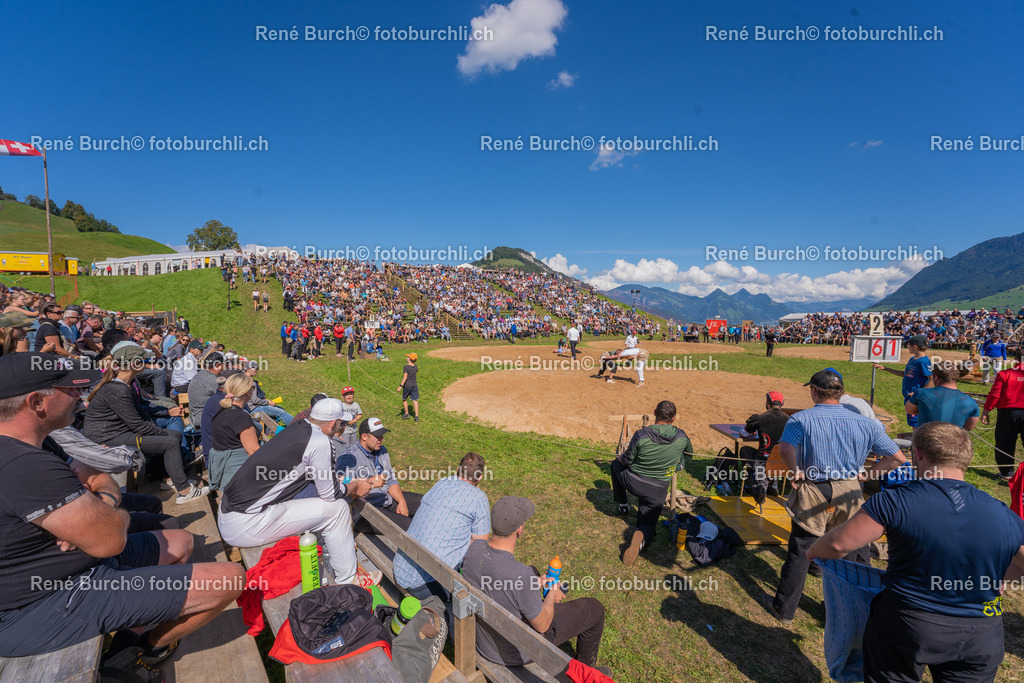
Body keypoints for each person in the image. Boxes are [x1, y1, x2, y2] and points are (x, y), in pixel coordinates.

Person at [0, 352, 244, 665]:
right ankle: (143, 652)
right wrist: (96, 518)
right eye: (70, 390)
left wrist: (101, 504)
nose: (80, 396)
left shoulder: (39, 441)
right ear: (36, 402)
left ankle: (130, 644)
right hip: (44, 602)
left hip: (78, 565)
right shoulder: (22, 464)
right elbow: (110, 538)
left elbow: (99, 478)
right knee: (230, 579)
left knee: (181, 540)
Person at [808, 422, 1024, 682]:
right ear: (966, 458)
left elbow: (838, 544)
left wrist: (813, 550)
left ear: (918, 454)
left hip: (909, 624)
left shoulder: (896, 500)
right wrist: (1000, 581)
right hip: (979, 633)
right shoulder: (1002, 513)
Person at [762, 368, 905, 626]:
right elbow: (897, 458)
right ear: (839, 392)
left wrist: (795, 472)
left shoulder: (801, 419)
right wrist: (869, 474)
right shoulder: (867, 423)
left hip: (814, 487)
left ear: (815, 391)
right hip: (849, 489)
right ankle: (841, 612)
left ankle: (784, 608)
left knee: (800, 549)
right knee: (848, 550)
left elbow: (785, 447)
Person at [218, 398, 378, 585]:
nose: (341, 428)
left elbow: (311, 477)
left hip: (231, 511)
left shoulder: (299, 426)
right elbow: (331, 494)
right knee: (339, 509)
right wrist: (356, 486)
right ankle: (349, 579)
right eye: (341, 424)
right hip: (244, 524)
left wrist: (341, 483)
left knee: (319, 495)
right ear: (332, 423)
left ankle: (326, 553)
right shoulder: (321, 441)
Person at [461, 496, 607, 670]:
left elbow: (497, 581)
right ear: (520, 529)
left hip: (484, 642)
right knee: (594, 609)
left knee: (534, 571)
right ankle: (585, 674)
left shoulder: (473, 550)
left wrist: (535, 582)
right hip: (516, 652)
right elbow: (543, 625)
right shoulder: (522, 576)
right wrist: (551, 595)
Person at [85, 345, 207, 504]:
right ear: (133, 364)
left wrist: (165, 432)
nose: (148, 362)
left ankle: (169, 478)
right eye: (144, 360)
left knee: (175, 436)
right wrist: (163, 434)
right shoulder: (118, 389)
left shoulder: (124, 384)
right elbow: (138, 425)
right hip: (108, 438)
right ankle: (185, 491)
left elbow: (140, 417)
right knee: (170, 442)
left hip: (118, 433)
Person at [393, 453, 490, 603]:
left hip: (399, 568)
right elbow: (480, 545)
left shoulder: (442, 483)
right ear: (480, 477)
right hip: (426, 586)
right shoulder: (479, 498)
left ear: (457, 469)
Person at [612, 400, 694, 565]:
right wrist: (674, 465)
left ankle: (623, 505)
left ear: (654, 413)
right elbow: (688, 458)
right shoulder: (682, 437)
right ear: (674, 418)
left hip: (633, 482)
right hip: (657, 490)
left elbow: (627, 461)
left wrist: (621, 457)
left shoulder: (641, 435)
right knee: (648, 525)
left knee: (615, 465)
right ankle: (641, 536)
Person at [337, 417, 423, 532]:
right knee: (409, 526)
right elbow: (342, 486)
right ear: (364, 436)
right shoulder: (349, 458)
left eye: (382, 435)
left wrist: (402, 501)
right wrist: (371, 482)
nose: (381, 439)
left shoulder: (382, 450)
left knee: (424, 503)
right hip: (365, 512)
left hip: (386, 499)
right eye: (377, 435)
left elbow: (391, 479)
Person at [208, 373, 260, 491]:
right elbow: (254, 452)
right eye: (252, 388)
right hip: (239, 478)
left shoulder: (221, 411)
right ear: (247, 392)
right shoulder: (240, 417)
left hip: (224, 475)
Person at [981, 347, 1024, 480]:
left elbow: (994, 394)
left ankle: (1006, 472)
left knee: (1004, 443)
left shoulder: (1004, 374)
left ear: (1016, 358)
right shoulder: (1004, 374)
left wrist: (986, 411)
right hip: (1009, 411)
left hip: (1007, 413)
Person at [740, 391, 790, 502]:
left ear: (767, 402)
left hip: (764, 462)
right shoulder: (790, 420)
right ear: (782, 404)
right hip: (784, 462)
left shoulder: (760, 418)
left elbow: (743, 433)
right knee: (776, 454)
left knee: (744, 450)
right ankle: (773, 485)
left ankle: (749, 484)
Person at [875, 334, 933, 428]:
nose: (907, 347)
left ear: (915, 346)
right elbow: (904, 374)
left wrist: (917, 393)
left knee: (917, 425)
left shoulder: (923, 362)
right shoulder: (912, 359)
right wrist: (885, 368)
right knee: (913, 424)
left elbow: (932, 380)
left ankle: (916, 442)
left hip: (915, 398)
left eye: (908, 345)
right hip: (909, 397)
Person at [906, 359, 980, 431]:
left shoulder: (921, 393)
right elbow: (968, 428)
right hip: (954, 442)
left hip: (925, 441)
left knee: (896, 442)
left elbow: (909, 410)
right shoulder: (971, 402)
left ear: (936, 377)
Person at [186, 351, 225, 432]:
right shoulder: (214, 380)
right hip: (208, 420)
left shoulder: (198, 375)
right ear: (218, 365)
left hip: (196, 416)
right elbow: (227, 401)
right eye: (223, 365)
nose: (225, 367)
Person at [399, 352, 420, 422]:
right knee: (415, 400)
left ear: (410, 359)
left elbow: (405, 378)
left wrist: (400, 386)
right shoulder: (415, 366)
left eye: (408, 357)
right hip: (414, 385)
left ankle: (406, 414)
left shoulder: (406, 367)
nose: (407, 358)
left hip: (407, 386)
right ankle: (416, 416)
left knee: (404, 399)